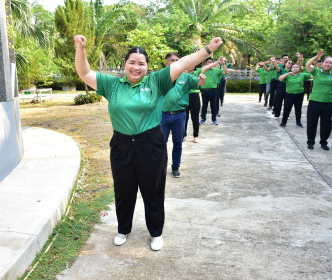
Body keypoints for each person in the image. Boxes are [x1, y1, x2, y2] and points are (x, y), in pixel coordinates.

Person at [74, 34, 223, 251]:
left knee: (152, 190)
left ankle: (156, 233)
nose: (136, 67)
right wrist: (81, 49)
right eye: (131, 62)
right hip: (121, 145)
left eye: (141, 63)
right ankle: (123, 229)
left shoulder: (157, 81)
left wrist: (208, 50)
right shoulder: (112, 84)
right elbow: (84, 73)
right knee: (124, 190)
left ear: (147, 66)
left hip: (151, 144)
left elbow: (182, 63)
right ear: (125, 64)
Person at [161, 53, 205, 178]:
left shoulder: (186, 77)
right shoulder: (160, 76)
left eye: (177, 60)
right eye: (172, 60)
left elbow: (199, 83)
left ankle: (175, 166)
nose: (175, 62)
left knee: (178, 143)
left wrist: (203, 79)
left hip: (179, 115)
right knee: (161, 143)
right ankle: (160, 166)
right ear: (166, 63)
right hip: (163, 115)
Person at [305, 50, 332, 150]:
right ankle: (310, 142)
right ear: (322, 63)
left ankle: (323, 142)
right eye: (326, 62)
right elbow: (307, 65)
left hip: (328, 103)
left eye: (330, 63)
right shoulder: (316, 71)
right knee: (312, 122)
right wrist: (316, 56)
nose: (328, 64)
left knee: (326, 124)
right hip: (315, 101)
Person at [278, 62, 312, 127]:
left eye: (297, 67)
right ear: (291, 69)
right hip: (289, 95)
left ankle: (298, 122)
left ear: (299, 68)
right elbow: (280, 79)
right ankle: (283, 122)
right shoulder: (288, 75)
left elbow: (312, 76)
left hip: (299, 95)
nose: (295, 68)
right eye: (294, 67)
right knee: (287, 109)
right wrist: (287, 74)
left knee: (298, 109)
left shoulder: (302, 75)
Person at [199, 57, 227, 125]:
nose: (209, 63)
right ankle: (203, 119)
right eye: (208, 62)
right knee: (204, 105)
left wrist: (224, 64)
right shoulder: (203, 70)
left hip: (213, 90)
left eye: (211, 62)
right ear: (206, 63)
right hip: (204, 90)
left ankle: (214, 119)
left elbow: (225, 72)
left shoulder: (216, 70)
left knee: (213, 105)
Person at [184, 68, 201, 144]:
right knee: (184, 117)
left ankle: (195, 136)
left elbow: (206, 67)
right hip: (185, 96)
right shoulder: (183, 74)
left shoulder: (197, 72)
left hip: (195, 96)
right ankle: (184, 135)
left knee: (195, 117)